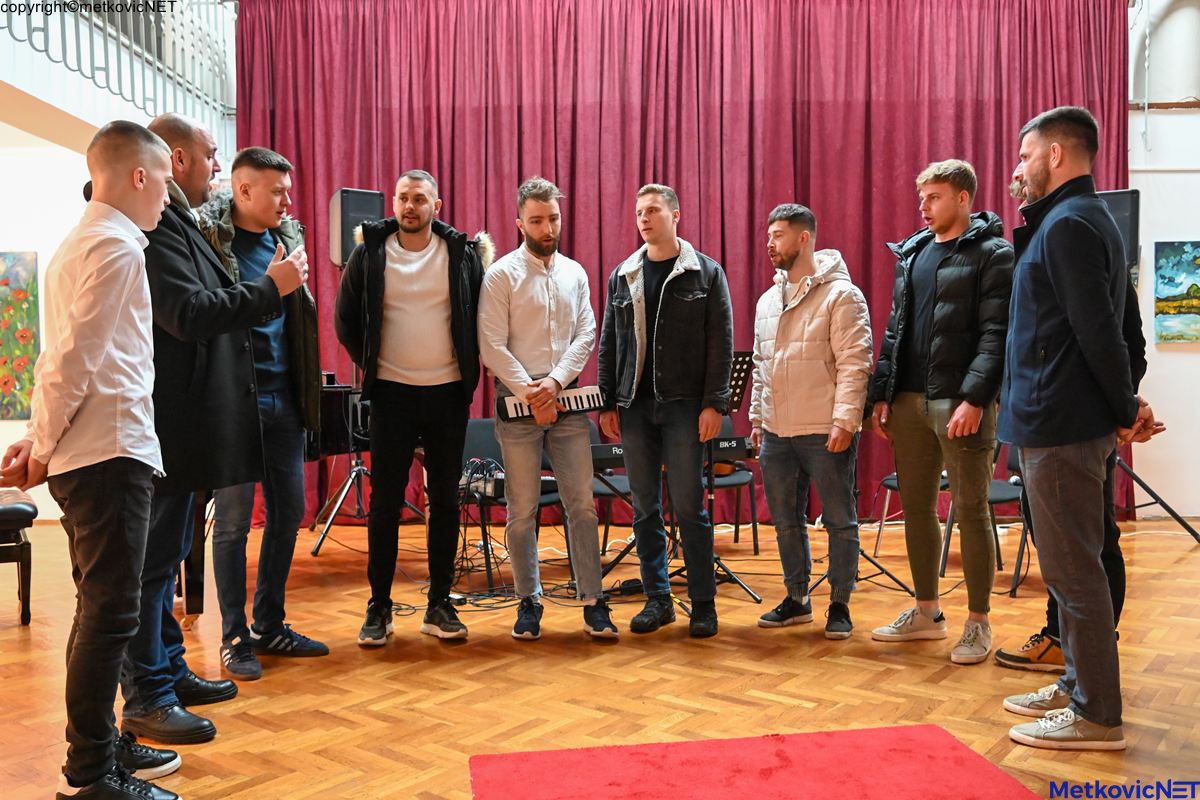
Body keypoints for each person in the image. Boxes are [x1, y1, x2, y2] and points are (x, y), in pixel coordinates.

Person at [0, 121, 180, 800]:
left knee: (99, 611)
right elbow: (74, 359)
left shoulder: (79, 243)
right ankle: (90, 774)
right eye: (164, 181)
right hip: (109, 452)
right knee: (110, 616)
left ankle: (101, 746)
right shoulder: (116, 247)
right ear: (138, 176)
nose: (167, 196)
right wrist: (41, 446)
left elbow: (55, 358)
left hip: (94, 452)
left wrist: (37, 439)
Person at [120, 114, 309, 745]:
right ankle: (148, 694)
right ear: (176, 160)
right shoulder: (157, 227)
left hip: (201, 418)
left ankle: (170, 671)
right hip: (174, 419)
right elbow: (189, 314)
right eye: (209, 154)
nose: (216, 165)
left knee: (169, 557)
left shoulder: (177, 220)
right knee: (154, 568)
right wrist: (271, 289)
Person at [999, 106, 1157, 751]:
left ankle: (1095, 716)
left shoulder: (1068, 224)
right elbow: (1122, 329)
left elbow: (1101, 334)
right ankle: (1075, 684)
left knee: (1073, 574)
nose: (1019, 167)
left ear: (1057, 154)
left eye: (1025, 155)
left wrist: (1123, 408)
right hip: (1060, 420)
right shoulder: (1086, 219)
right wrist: (1126, 404)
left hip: (1060, 424)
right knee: (1072, 569)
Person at [335, 170, 493, 645]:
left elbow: (482, 317)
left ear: (436, 206)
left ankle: (439, 604)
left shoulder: (462, 255)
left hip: (448, 393)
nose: (409, 205)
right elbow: (345, 320)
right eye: (403, 197)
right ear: (394, 202)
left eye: (419, 199)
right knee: (385, 503)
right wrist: (375, 364)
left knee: (445, 500)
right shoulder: (369, 253)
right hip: (391, 394)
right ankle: (379, 606)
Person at [866, 159, 1014, 664]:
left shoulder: (993, 254)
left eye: (933, 197)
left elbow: (996, 334)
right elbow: (894, 330)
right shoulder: (913, 253)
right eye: (921, 197)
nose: (923, 207)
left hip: (959, 402)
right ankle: (927, 613)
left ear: (963, 198)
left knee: (971, 510)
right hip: (907, 401)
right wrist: (881, 393)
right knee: (917, 508)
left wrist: (975, 398)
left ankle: (978, 622)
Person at [198, 146, 326, 680]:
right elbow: (208, 317)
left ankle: (269, 624)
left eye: (288, 191)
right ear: (243, 190)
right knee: (231, 524)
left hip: (284, 399)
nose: (287, 201)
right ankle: (233, 636)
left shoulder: (287, 240)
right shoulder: (208, 242)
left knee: (289, 513)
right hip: (233, 403)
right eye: (277, 192)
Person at [478, 177, 616, 639]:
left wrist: (554, 384)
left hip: (567, 400)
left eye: (553, 218)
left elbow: (586, 334)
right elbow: (491, 345)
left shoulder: (576, 273)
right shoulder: (500, 275)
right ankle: (528, 600)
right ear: (519, 223)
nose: (547, 228)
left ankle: (593, 600)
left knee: (583, 506)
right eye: (536, 220)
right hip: (517, 401)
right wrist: (533, 392)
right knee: (522, 510)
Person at [597, 183, 733, 638]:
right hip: (635, 408)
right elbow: (610, 342)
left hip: (685, 408)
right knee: (644, 509)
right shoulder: (624, 274)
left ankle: (703, 603)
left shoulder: (705, 273)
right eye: (639, 212)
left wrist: (714, 404)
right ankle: (658, 600)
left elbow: (721, 344)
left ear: (676, 215)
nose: (644, 218)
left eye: (653, 210)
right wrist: (607, 401)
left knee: (690, 506)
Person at [750, 204, 872, 639]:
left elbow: (855, 363)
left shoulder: (842, 295)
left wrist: (845, 420)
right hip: (777, 432)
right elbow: (762, 366)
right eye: (768, 235)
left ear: (804, 238)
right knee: (786, 521)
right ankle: (797, 599)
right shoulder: (768, 301)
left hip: (824, 429)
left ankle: (840, 603)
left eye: (778, 235)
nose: (769, 243)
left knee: (840, 520)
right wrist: (758, 418)